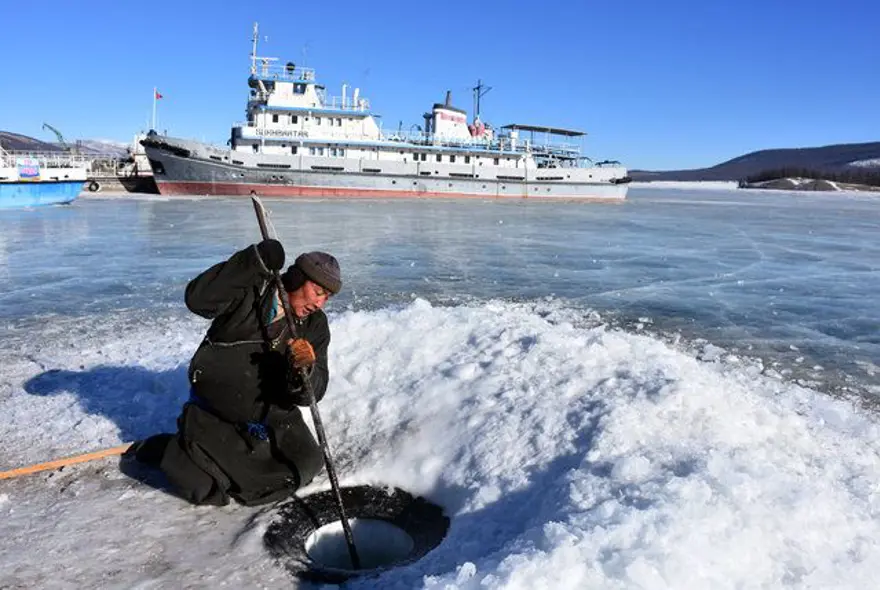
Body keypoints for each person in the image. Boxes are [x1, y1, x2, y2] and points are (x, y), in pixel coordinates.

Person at [125, 239, 342, 506]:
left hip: (271, 420)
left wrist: (304, 370)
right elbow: (197, 300)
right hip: (216, 415)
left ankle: (234, 461)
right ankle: (167, 449)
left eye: (327, 297)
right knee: (203, 488)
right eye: (317, 291)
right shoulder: (252, 288)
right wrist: (252, 261)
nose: (320, 303)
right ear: (297, 278)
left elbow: (314, 394)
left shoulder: (315, 325)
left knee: (306, 464)